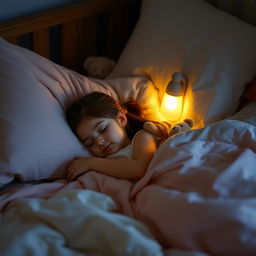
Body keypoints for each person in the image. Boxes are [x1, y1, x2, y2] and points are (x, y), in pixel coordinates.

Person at [65, 91, 170, 181]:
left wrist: (91, 163)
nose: (99, 142)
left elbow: (140, 169)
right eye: (90, 143)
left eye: (103, 129)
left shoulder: (142, 137)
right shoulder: (105, 161)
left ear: (121, 119)